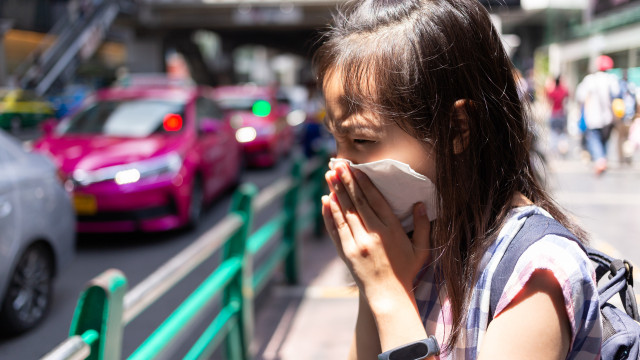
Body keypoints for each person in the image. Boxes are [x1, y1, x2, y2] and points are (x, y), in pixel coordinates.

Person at [315, 1, 601, 359]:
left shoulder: (535, 272)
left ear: (456, 129)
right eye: (336, 140)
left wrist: (389, 294)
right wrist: (372, 281)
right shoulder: (411, 250)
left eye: (361, 140)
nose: (340, 166)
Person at [575, 55, 620, 175]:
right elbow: (617, 97)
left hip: (593, 117)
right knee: (604, 139)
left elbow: (580, 96)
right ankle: (602, 158)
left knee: (594, 139)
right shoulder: (612, 79)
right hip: (608, 117)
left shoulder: (589, 80)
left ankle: (600, 159)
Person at [545, 76, 570, 156]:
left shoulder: (553, 91)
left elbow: (547, 96)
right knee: (562, 132)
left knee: (553, 133)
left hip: (554, 113)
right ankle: (563, 149)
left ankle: (554, 150)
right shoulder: (563, 90)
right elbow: (568, 94)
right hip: (561, 113)